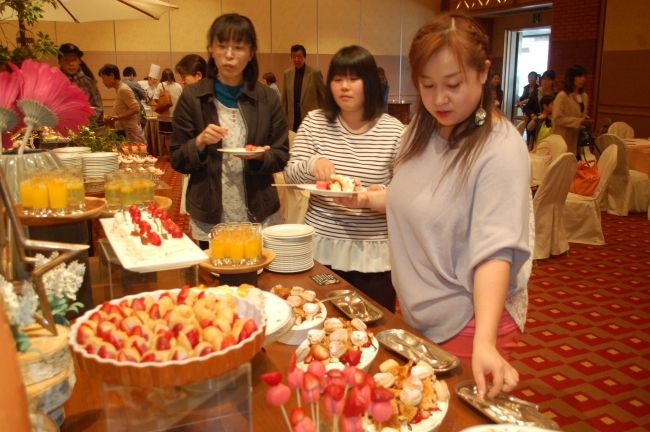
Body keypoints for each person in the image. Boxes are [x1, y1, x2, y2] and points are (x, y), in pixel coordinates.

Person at [337, 13, 531, 399]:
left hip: (470, 320)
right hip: (415, 308)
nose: (439, 98)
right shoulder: (419, 131)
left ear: (483, 74)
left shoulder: (500, 148)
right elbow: (421, 200)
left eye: (453, 84)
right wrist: (367, 199)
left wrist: (486, 341)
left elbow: (495, 249)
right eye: (427, 85)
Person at [284, 45, 404, 311]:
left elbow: (406, 195)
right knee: (320, 320)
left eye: (354, 78)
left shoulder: (394, 131)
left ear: (370, 83)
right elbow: (290, 172)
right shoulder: (315, 122)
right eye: (338, 79)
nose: (344, 87)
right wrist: (314, 164)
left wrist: (373, 198)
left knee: (373, 325)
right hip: (322, 248)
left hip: (373, 255)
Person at [170, 13, 289, 249]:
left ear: (252, 52)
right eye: (222, 46)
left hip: (258, 209)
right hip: (210, 211)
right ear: (211, 49)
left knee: (259, 279)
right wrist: (200, 142)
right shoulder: (193, 97)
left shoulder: (267, 98)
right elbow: (177, 158)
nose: (229, 55)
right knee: (214, 281)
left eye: (239, 47)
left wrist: (262, 156)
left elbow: (282, 155)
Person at [281, 44, 327, 132]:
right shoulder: (287, 74)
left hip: (311, 119)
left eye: (299, 56)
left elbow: (323, 96)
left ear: (304, 57)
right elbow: (284, 101)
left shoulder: (315, 73)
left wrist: (324, 118)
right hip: (293, 120)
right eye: (294, 57)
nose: (296, 59)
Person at [98, 64, 146, 144]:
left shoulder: (123, 89)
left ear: (112, 76)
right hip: (126, 130)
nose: (103, 82)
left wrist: (117, 117)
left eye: (103, 78)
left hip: (131, 131)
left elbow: (135, 108)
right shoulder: (119, 89)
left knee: (136, 154)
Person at [57, 43, 104, 126]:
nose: (71, 63)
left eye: (74, 59)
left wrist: (82, 117)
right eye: (66, 60)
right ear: (60, 61)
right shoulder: (53, 81)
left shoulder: (88, 82)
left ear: (79, 61)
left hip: (85, 130)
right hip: (58, 131)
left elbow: (98, 108)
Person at [552, 64, 591, 157]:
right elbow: (557, 119)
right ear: (571, 78)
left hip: (577, 138)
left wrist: (585, 119)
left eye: (584, 76)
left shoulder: (584, 96)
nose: (583, 79)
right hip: (562, 138)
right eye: (579, 76)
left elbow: (583, 113)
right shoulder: (562, 96)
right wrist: (580, 121)